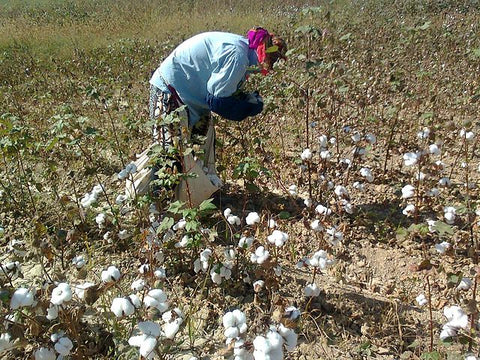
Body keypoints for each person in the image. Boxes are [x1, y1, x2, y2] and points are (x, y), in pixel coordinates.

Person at [148, 27, 286, 204]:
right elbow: (218, 101)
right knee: (169, 154)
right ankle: (156, 208)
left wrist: (245, 99)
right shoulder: (238, 56)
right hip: (168, 90)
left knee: (199, 147)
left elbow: (221, 90)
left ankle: (192, 198)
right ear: (264, 54)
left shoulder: (242, 51)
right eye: (270, 63)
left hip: (190, 97)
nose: (267, 69)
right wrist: (248, 107)